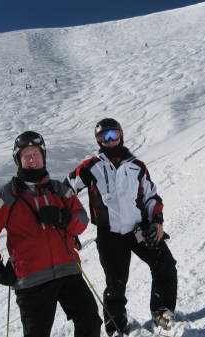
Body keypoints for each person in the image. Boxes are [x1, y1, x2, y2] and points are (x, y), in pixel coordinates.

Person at [0, 131, 102, 337]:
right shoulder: (5, 195)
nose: (32, 159)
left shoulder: (59, 189)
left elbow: (81, 221)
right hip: (31, 280)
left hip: (68, 270)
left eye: (36, 153)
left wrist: (63, 218)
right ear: (19, 160)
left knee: (90, 320)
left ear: (43, 156)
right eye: (26, 156)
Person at [66, 119, 177, 336]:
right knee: (115, 284)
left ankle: (162, 314)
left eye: (113, 135)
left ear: (121, 135)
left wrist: (157, 222)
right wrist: (68, 221)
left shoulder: (136, 166)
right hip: (110, 235)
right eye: (104, 138)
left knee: (165, 266)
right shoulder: (91, 166)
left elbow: (151, 196)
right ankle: (116, 326)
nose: (110, 141)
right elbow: (65, 191)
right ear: (98, 141)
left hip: (140, 230)